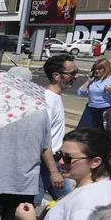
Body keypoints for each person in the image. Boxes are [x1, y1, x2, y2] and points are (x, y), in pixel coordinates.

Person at [38, 55, 76, 206]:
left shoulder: (55, 97)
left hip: (54, 161)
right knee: (29, 208)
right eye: (72, 73)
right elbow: (41, 138)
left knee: (68, 204)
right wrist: (53, 171)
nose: (75, 76)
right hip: (45, 163)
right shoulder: (48, 99)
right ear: (56, 76)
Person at [75, 57, 111, 146]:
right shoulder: (93, 80)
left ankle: (105, 152)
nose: (97, 71)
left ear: (105, 69)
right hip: (91, 109)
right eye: (95, 69)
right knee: (82, 131)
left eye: (100, 69)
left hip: (106, 110)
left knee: (104, 134)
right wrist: (88, 81)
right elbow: (80, 93)